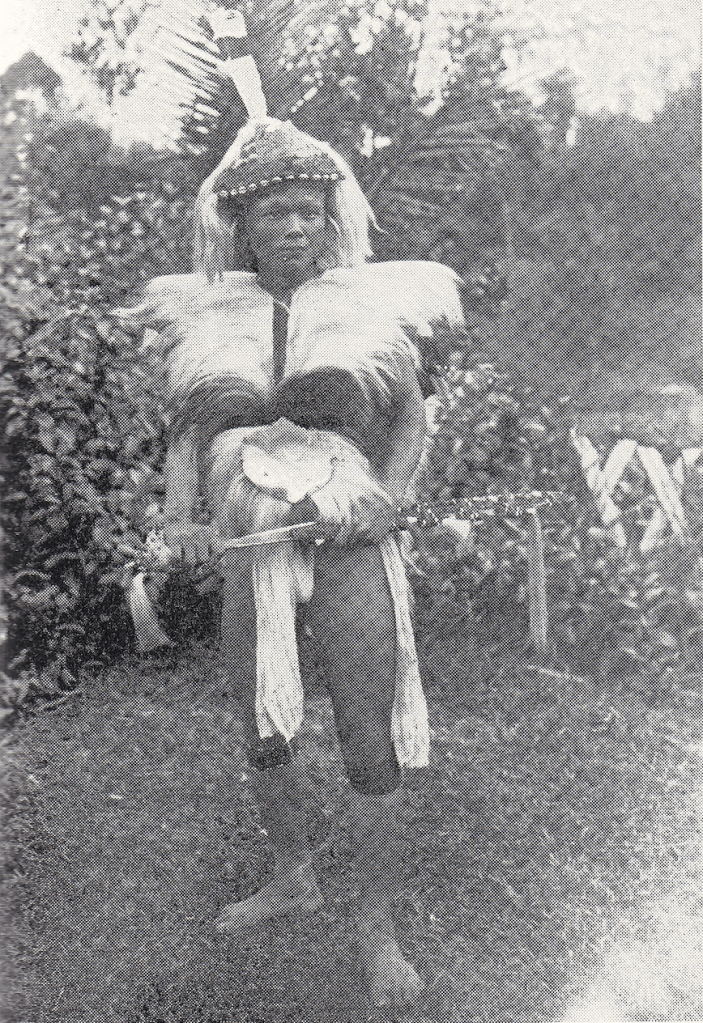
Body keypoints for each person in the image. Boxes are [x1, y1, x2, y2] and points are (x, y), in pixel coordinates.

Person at [122, 116, 466, 1007]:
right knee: (263, 721)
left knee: (364, 725)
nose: (294, 228)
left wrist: (386, 499)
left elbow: (412, 422)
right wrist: (185, 516)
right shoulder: (209, 315)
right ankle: (291, 873)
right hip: (253, 541)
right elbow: (189, 434)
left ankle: (375, 928)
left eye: (309, 211)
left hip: (349, 535)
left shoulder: (370, 307)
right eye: (274, 212)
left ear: (330, 218)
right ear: (243, 226)